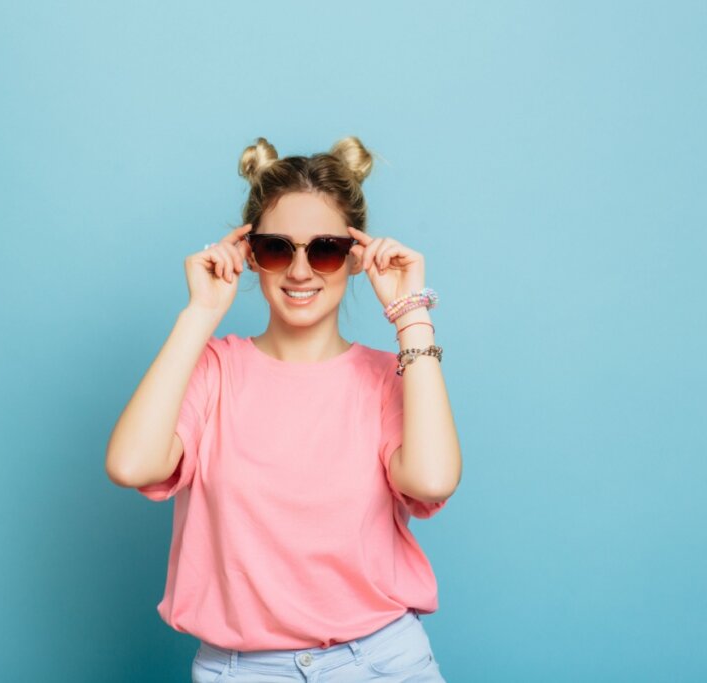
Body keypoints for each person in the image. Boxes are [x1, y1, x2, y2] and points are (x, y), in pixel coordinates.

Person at [105, 136, 462, 682]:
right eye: (277, 248)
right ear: (250, 256)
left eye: (324, 249)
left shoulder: (388, 378)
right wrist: (200, 313)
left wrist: (411, 316)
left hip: (382, 663)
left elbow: (433, 481)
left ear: (354, 258)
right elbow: (131, 465)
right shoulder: (214, 372)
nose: (300, 271)